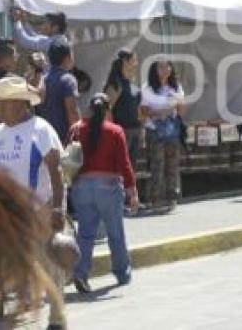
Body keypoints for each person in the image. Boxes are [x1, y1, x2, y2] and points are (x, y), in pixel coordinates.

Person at [0, 76, 66, 329]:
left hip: (40, 210)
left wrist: (58, 208)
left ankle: (57, 318)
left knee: (49, 263)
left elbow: (56, 171)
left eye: (2, 104)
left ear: (19, 103)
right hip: (7, 214)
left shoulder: (41, 129)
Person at [71, 93, 138, 294]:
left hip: (81, 186)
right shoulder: (115, 131)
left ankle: (81, 273)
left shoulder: (77, 129)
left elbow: (69, 158)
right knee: (115, 233)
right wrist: (132, 191)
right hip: (108, 186)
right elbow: (124, 164)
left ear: (90, 109)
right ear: (108, 110)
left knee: (85, 234)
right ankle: (121, 272)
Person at [140, 60, 185, 212]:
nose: (165, 69)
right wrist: (161, 112)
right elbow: (144, 110)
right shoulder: (148, 88)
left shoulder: (176, 86)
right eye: (161, 67)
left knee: (172, 165)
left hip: (172, 129)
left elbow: (181, 108)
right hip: (155, 129)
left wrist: (177, 107)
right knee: (157, 164)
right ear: (155, 69)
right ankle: (155, 199)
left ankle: (172, 197)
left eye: (168, 66)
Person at [104, 48, 143, 171]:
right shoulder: (116, 83)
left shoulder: (134, 85)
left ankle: (130, 190)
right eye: (134, 60)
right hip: (121, 131)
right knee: (120, 167)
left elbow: (138, 109)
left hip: (135, 130)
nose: (136, 63)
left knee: (132, 168)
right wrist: (113, 133)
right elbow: (107, 109)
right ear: (125, 62)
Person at [39, 40, 81, 145]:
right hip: (63, 137)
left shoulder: (43, 79)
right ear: (68, 58)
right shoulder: (68, 80)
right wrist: (79, 135)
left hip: (44, 135)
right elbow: (72, 110)